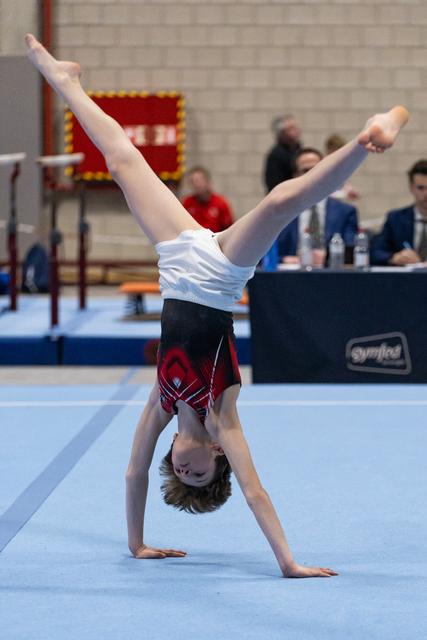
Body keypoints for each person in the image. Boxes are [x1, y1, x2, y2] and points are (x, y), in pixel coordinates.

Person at [25, 33, 408, 578]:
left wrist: (137, 544)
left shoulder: (163, 404)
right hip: (220, 278)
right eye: (198, 475)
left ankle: (66, 82)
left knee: (121, 160)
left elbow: (134, 471)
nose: (182, 466)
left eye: (180, 474)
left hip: (176, 267)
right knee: (281, 201)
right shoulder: (222, 416)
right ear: (217, 459)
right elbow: (254, 492)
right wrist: (288, 562)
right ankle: (370, 137)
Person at [277, 148, 359, 267]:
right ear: (295, 175)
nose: (312, 175)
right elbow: (263, 252)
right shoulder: (281, 211)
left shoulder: (345, 212)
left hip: (331, 275)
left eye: (316, 169)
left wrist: (326, 258)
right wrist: (284, 259)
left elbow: (351, 250)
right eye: (305, 170)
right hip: (290, 275)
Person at [371, 159, 427, 266]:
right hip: (405, 279)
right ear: (411, 188)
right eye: (420, 188)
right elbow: (375, 253)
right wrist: (394, 257)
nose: (426, 193)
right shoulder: (396, 219)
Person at [182, 166, 233, 232]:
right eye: (192, 181)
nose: (196, 185)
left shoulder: (221, 203)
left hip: (214, 240)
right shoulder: (187, 202)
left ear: (207, 181)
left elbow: (228, 229)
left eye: (198, 181)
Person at [264, 114, 302, 192]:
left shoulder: (298, 150)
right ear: (281, 133)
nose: (296, 131)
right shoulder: (276, 155)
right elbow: (274, 185)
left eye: (296, 128)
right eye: (291, 129)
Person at [325, 134, 361, 201]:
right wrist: (345, 194)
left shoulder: (341, 167)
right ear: (330, 151)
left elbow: (342, 184)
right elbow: (324, 193)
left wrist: (351, 190)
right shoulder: (325, 167)